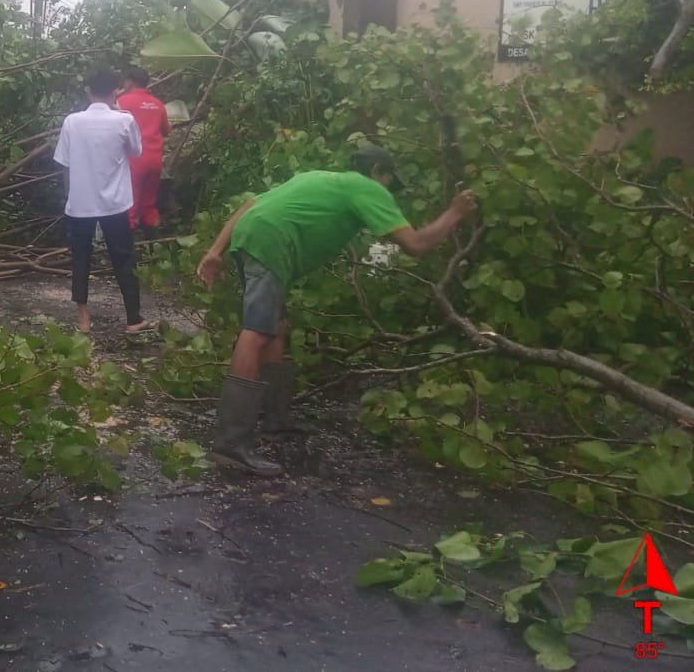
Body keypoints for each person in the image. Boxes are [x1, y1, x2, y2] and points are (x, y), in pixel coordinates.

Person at [195, 144, 479, 476]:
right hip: (271, 242)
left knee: (276, 325)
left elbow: (250, 203)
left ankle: (276, 420)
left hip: (254, 235)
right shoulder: (368, 187)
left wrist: (216, 251)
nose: (388, 190)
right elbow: (415, 245)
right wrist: (455, 213)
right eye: (389, 181)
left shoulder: (320, 177)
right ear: (377, 173)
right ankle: (230, 444)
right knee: (257, 330)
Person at [53, 65, 150, 334]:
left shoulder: (72, 122)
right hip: (114, 202)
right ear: (115, 91)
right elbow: (135, 150)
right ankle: (134, 318)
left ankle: (83, 318)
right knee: (124, 258)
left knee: (81, 258)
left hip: (80, 201)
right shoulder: (125, 120)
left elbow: (66, 164)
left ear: (88, 91)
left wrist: (69, 197)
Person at [116, 65, 171, 236]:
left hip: (134, 160)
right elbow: (166, 130)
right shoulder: (158, 104)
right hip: (155, 160)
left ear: (129, 81)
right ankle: (153, 245)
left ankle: (129, 248)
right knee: (149, 203)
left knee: (130, 203)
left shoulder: (122, 102)